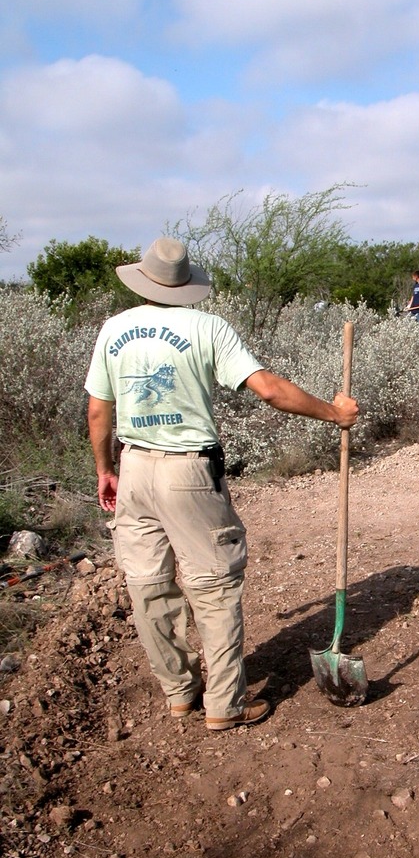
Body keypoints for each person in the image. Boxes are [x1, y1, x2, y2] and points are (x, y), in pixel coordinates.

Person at [84, 237, 359, 731]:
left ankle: (179, 692)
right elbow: (270, 390)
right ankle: (225, 704)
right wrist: (334, 413)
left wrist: (106, 470)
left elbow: (99, 409)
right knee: (212, 585)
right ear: (186, 285)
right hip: (187, 472)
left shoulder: (114, 329)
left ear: (144, 281)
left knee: (149, 587)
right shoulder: (208, 327)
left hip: (135, 468)